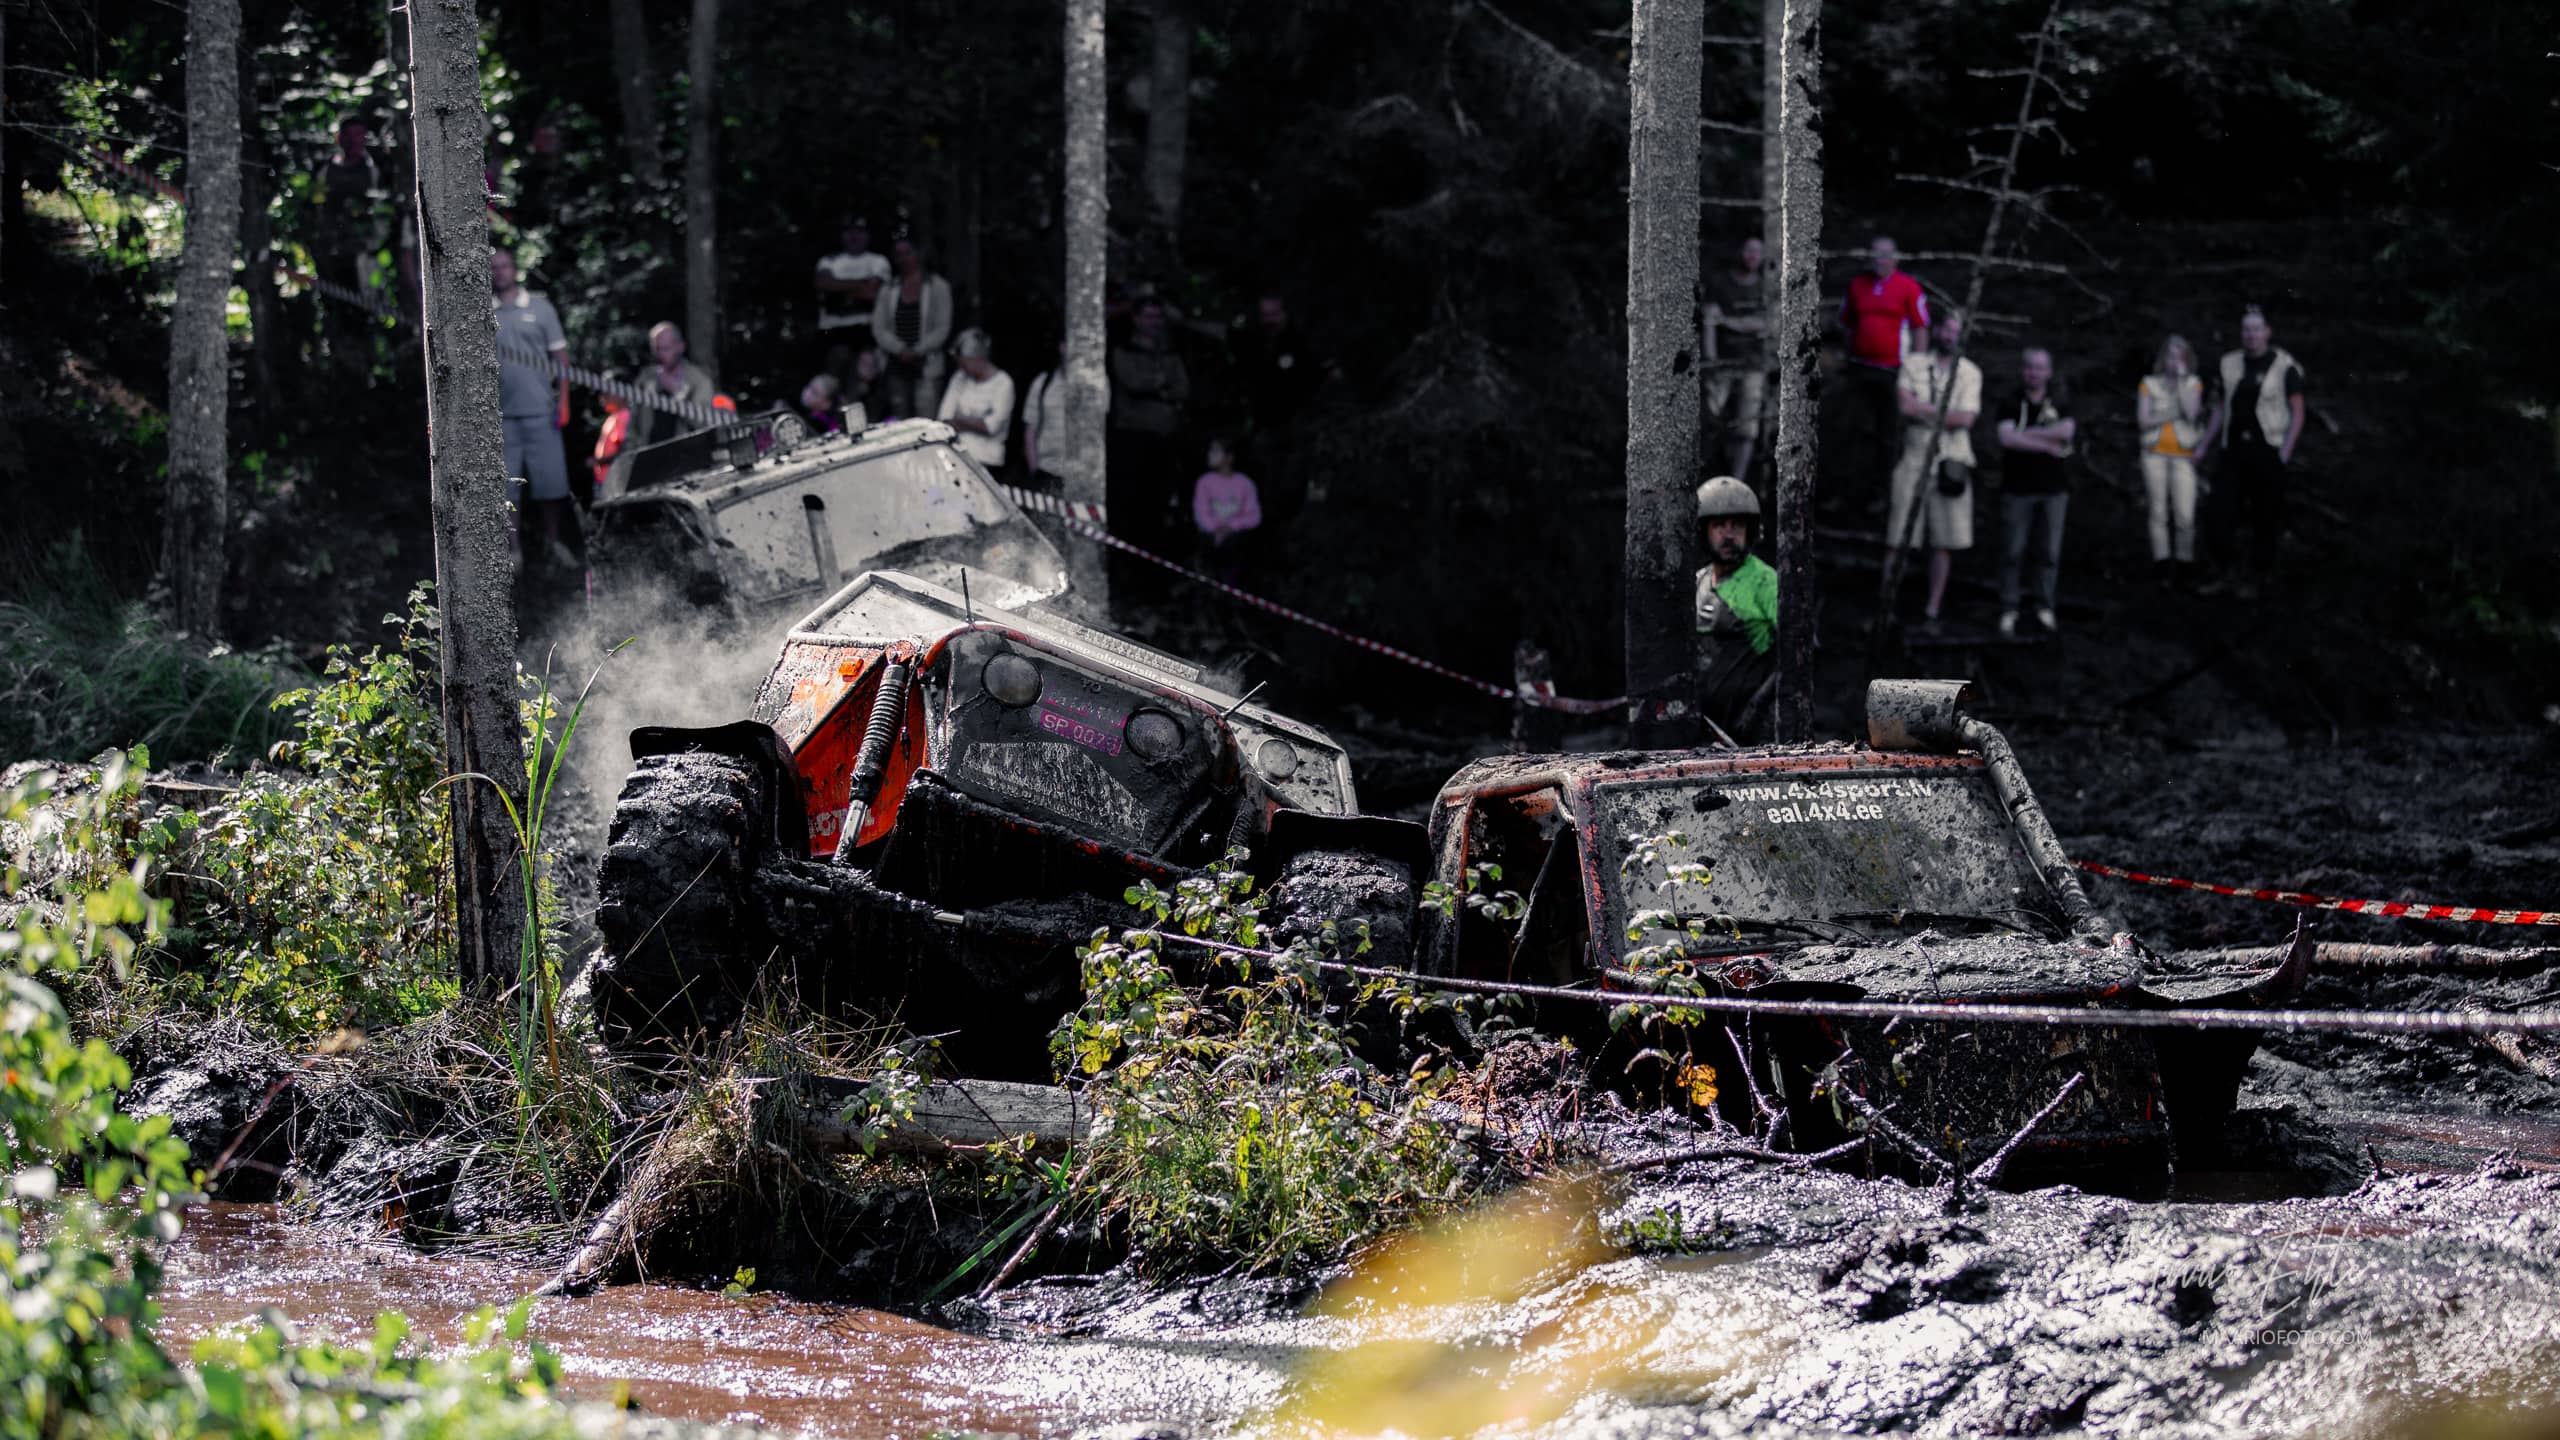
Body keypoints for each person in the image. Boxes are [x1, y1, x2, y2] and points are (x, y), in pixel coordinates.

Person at [1887, 309, 1982, 628]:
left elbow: (1966, 419)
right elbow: (1903, 407)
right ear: (1937, 330)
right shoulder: (1913, 364)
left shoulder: (1970, 372)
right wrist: (1944, 414)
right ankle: (1887, 607)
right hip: (1913, 458)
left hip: (1951, 461)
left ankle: (1932, 610)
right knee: (1898, 538)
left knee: (1944, 542)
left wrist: (1923, 410)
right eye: (1946, 329)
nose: (1949, 336)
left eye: (1957, 331)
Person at [2206, 305, 2306, 592]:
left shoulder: (2284, 366)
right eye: (2246, 329)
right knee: (2219, 511)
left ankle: (2258, 577)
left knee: (2266, 516)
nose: (2251, 335)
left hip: (2267, 450)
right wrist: (2204, 445)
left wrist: (2285, 450)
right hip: (2234, 451)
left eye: (2256, 329)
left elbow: (2297, 411)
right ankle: (2224, 570)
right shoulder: (2229, 363)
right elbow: (2220, 408)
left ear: (2267, 332)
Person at [490, 249, 574, 567]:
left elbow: (561, 359)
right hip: (503, 416)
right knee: (508, 486)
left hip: (542, 411)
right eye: (494, 268)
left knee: (551, 482)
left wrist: (563, 400)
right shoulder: (485, 311)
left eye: (505, 266)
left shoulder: (540, 308)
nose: (500, 272)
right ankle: (514, 552)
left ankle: (553, 543)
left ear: (515, 270)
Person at [1839, 235, 1930, 508]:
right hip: (1859, 368)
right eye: (1875, 254)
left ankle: (1883, 493)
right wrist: (1848, 356)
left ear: (1895, 257)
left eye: (1885, 254)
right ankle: (1848, 491)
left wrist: (1916, 369)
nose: (1880, 260)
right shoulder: (1858, 284)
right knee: (1852, 429)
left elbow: (1920, 329)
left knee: (1887, 433)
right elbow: (1847, 323)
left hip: (1893, 372)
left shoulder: (1908, 287)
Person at [1993, 347, 2077, 637]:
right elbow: (2006, 439)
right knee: (2013, 551)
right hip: (2017, 489)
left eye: (2040, 368)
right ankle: (2009, 608)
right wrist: (2046, 443)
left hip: (2054, 490)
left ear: (2049, 372)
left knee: (2049, 552)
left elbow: (2066, 431)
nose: (2034, 372)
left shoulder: (2061, 400)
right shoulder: (2009, 401)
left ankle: (2044, 606)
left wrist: (2024, 434)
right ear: (2022, 369)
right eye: (2029, 367)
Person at [1691, 474, 1779, 741]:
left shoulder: (1765, 581)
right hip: (1704, 726)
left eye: (1737, 526)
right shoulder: (1698, 581)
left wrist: (1756, 708)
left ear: (1749, 532)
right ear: (1704, 531)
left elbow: (1798, 653)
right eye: (1719, 526)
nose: (1729, 535)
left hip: (1750, 728)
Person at [1108, 296, 1191, 536]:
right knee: (1131, 502)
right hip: (1132, 438)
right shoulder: (1124, 351)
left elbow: (1183, 389)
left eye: (1158, 317)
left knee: (1160, 502)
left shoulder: (1171, 354)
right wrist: (1162, 383)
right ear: (1136, 319)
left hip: (1165, 439)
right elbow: (1133, 382)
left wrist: (1155, 385)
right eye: (1148, 316)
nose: (1154, 322)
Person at [2137, 334, 2205, 586]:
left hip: (2183, 456)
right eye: (2170, 356)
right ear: (2163, 358)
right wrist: (2172, 411)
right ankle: (2161, 563)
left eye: (2180, 357)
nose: (2174, 361)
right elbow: (2143, 421)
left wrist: (2181, 384)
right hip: (2153, 454)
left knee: (2185, 513)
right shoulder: (2148, 384)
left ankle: (2185, 562)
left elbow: (2191, 414)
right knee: (2158, 511)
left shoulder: (2193, 384)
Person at [1705, 235, 1769, 481]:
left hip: (1753, 366)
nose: (1752, 256)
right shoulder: (1720, 283)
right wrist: (1711, 358)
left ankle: (1737, 480)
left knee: (1747, 427)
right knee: (1713, 423)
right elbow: (1710, 320)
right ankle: (1710, 474)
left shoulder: (1764, 287)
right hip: (1722, 366)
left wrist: (1728, 322)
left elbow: (1763, 324)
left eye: (1757, 252)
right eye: (1748, 250)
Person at [871, 233, 953, 418]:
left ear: (919, 254)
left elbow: (942, 327)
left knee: (926, 419)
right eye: (898, 254)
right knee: (900, 418)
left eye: (907, 253)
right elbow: (879, 327)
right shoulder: (888, 289)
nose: (903, 259)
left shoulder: (938, 286)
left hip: (927, 365)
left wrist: (918, 350)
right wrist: (900, 349)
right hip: (895, 364)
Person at [813, 216, 890, 364]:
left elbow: (872, 294)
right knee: (832, 374)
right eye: (849, 231)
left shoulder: (878, 261)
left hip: (867, 329)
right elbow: (823, 283)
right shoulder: (828, 261)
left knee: (866, 371)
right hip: (833, 329)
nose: (854, 236)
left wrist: (838, 288)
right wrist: (862, 282)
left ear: (868, 235)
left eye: (860, 231)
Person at [937, 329, 1015, 470]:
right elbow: (944, 419)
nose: (961, 367)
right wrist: (976, 421)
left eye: (964, 363)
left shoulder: (1004, 383)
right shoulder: (959, 378)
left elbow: (991, 427)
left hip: (987, 459)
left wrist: (960, 420)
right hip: (955, 454)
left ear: (979, 358)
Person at [636, 321, 719, 448]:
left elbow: (704, 424)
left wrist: (676, 393)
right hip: (651, 456)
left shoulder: (699, 381)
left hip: (685, 455)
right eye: (657, 349)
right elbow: (633, 424)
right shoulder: (646, 378)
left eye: (666, 349)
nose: (661, 355)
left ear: (680, 347)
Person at [1190, 438, 1263, 574]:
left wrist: (1230, 527)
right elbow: (1201, 513)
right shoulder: (1204, 482)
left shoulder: (1245, 483)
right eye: (1211, 451)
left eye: (1216, 451)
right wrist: (1216, 529)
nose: (1210, 454)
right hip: (1209, 540)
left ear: (1229, 457)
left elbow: (1254, 516)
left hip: (1235, 542)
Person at [1021, 341, 1072, 486]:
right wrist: (1034, 470)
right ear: (1062, 347)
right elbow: (1030, 430)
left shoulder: (1097, 384)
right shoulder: (1043, 382)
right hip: (1046, 471)